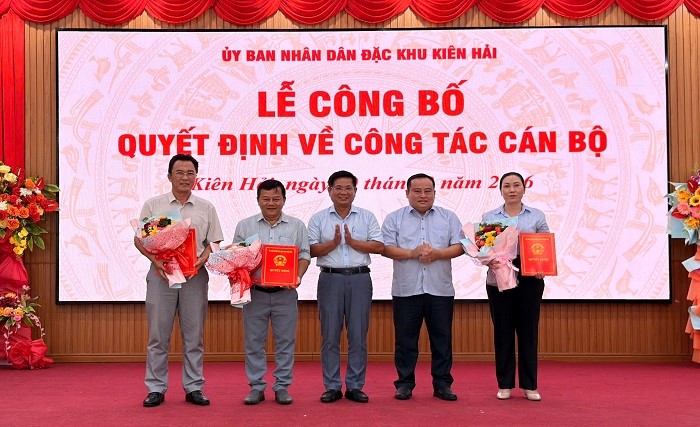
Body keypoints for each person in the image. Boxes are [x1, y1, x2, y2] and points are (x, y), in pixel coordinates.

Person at [135, 154, 224, 407]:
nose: (185, 177)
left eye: (190, 173)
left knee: (194, 337)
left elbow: (215, 241)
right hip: (161, 276)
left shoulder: (206, 207)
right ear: (169, 176)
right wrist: (155, 261)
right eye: (180, 172)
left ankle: (194, 387)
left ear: (196, 177)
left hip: (194, 277)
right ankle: (156, 388)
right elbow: (140, 240)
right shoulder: (154, 205)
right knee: (157, 336)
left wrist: (203, 258)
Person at [381, 173, 464, 401]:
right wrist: (412, 253)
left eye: (428, 191)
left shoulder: (449, 217)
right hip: (406, 289)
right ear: (407, 193)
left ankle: (442, 384)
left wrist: (438, 254)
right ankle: (404, 384)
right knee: (405, 341)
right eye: (417, 191)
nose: (423, 195)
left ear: (435, 193)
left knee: (442, 340)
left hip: (440, 289)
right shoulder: (394, 218)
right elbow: (385, 248)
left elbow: (460, 246)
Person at [308, 171, 384, 404]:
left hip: (360, 279)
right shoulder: (319, 218)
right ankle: (332, 386)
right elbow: (310, 250)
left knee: (358, 336)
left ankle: (355, 386)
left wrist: (352, 243)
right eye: (338, 188)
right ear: (329, 190)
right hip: (330, 279)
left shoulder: (366, 216)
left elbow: (379, 246)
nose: (343, 192)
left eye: (348, 188)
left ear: (355, 191)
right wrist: (333, 243)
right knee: (330, 336)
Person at [233, 179, 310, 405]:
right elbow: (235, 256)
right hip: (255, 292)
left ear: (284, 200)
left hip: (285, 294)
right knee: (253, 343)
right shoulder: (245, 226)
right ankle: (256, 387)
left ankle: (282, 386)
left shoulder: (297, 226)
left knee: (285, 343)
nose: (271, 203)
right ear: (258, 201)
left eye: (276, 198)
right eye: (265, 199)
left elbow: (304, 255)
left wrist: (297, 276)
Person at [482, 172, 549, 402]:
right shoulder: (490, 216)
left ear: (524, 188)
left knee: (528, 332)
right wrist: (489, 260)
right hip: (499, 275)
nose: (511, 189)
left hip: (530, 277)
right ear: (500, 190)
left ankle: (530, 385)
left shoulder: (536, 215)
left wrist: (542, 265)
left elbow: (545, 245)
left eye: (516, 185)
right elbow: (484, 249)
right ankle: (505, 384)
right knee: (503, 331)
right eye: (507, 186)